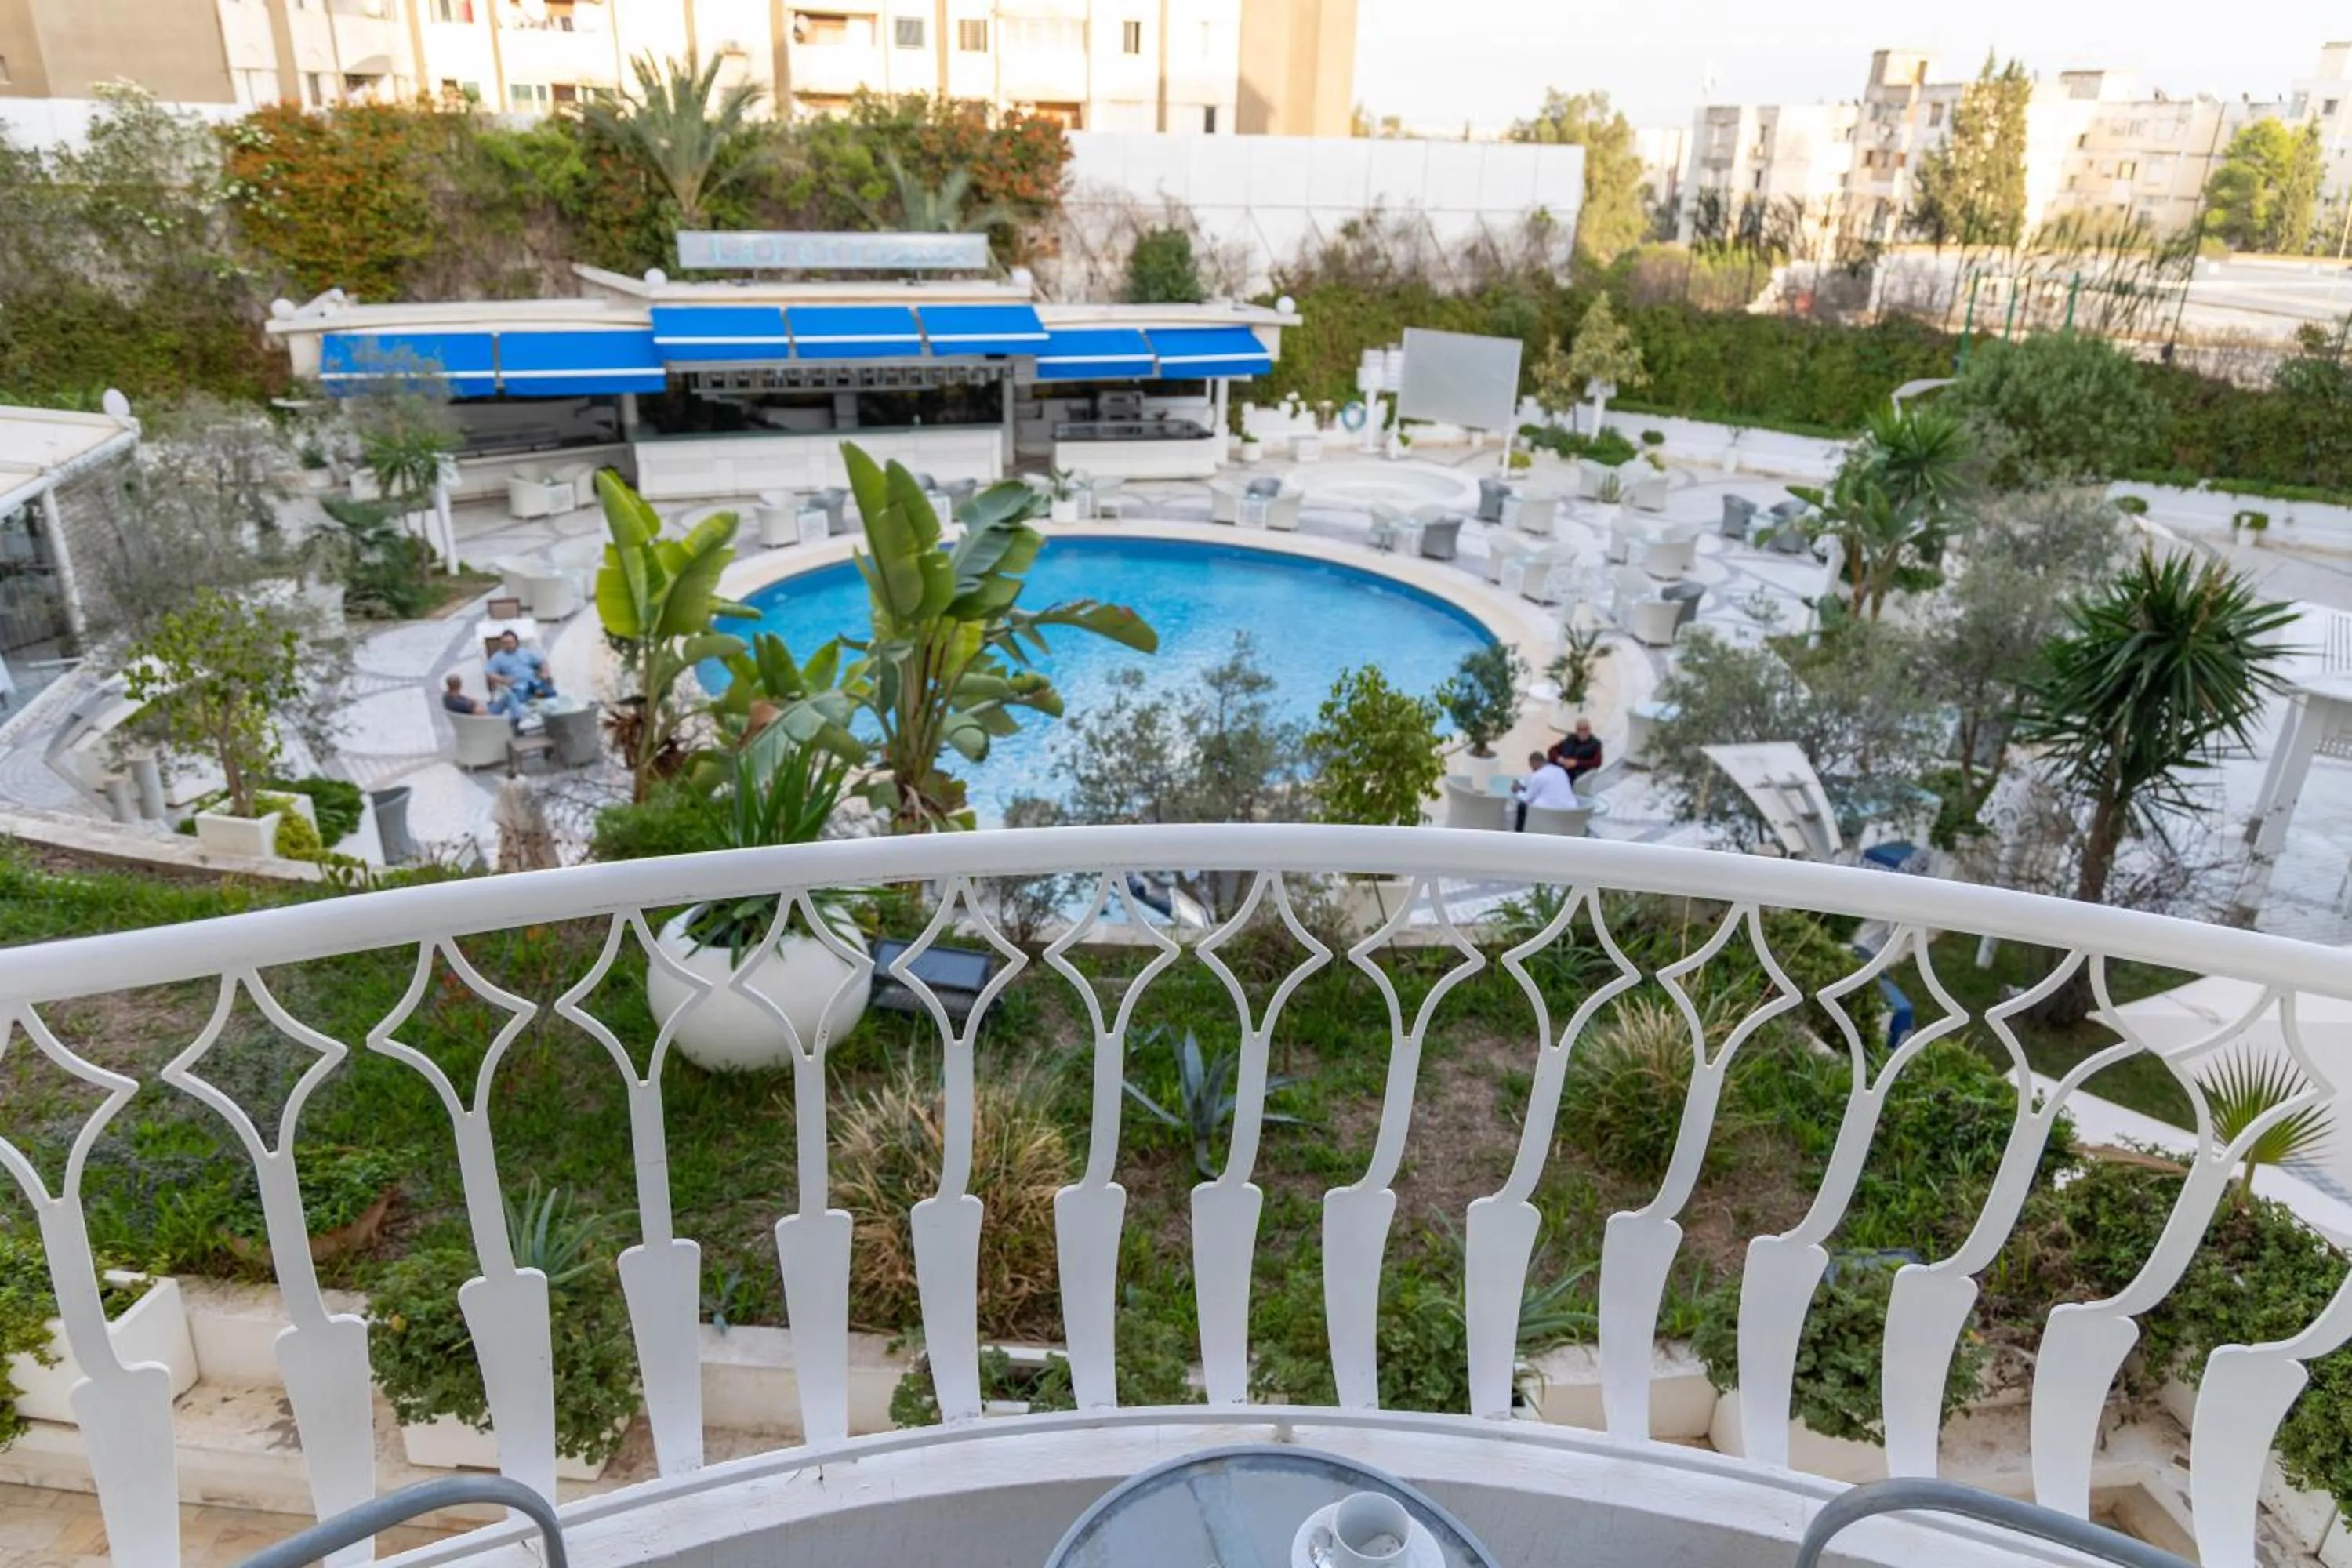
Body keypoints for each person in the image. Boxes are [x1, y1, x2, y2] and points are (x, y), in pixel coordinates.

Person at [485, 630, 556, 715]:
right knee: (521, 701)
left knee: (550, 693)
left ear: (516, 642)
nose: (508, 646)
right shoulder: (498, 657)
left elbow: (542, 662)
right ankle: (530, 717)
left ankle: (554, 713)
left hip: (534, 681)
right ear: (502, 644)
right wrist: (502, 679)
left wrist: (544, 672)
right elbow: (489, 673)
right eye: (505, 643)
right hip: (517, 685)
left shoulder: (525, 652)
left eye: (510, 643)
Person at [1512, 749, 1581, 831]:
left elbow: (1527, 798)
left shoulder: (1538, 775)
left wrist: (1517, 791)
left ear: (1533, 763)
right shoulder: (1560, 771)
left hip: (1547, 814)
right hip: (1569, 812)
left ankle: (1520, 834)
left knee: (1522, 806)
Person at [1550, 719, 1604, 785]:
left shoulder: (1595, 744)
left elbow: (1597, 763)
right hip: (1561, 768)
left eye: (1585, 729)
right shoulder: (1570, 738)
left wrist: (1576, 763)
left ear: (1589, 729)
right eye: (1580, 730)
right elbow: (1552, 750)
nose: (1583, 732)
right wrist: (1560, 760)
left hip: (1577, 774)